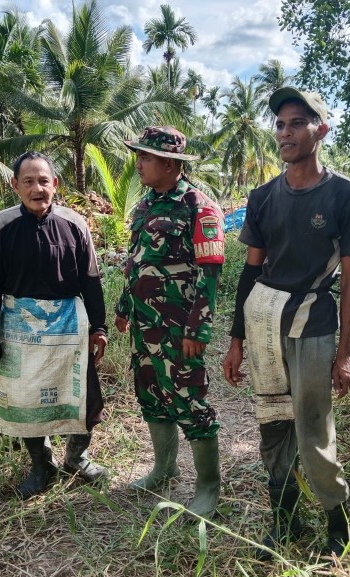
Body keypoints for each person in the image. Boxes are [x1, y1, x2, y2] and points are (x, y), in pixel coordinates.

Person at [222, 88, 350, 557]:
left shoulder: (346, 195)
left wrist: (346, 352)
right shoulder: (264, 196)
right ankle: (283, 520)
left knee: (313, 426)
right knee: (273, 423)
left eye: (296, 123)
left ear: (320, 130)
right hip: (264, 319)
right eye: (280, 125)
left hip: (312, 323)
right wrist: (236, 340)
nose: (285, 133)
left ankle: (336, 523)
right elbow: (251, 270)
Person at [0, 151, 109, 499]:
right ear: (15, 186)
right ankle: (41, 463)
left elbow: (91, 281)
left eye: (44, 180)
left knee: (84, 398)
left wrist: (99, 328)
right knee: (26, 400)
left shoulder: (75, 225)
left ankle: (76, 457)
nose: (38, 188)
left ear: (56, 184)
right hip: (20, 331)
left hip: (70, 328)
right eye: (29, 181)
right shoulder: (0, 228)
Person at [115, 126, 225, 518]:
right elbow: (135, 260)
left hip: (179, 327)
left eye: (145, 157)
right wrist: (124, 308)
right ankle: (163, 469)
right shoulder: (145, 205)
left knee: (189, 401)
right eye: (139, 156)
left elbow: (210, 272)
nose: (139, 164)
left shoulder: (199, 206)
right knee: (151, 396)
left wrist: (199, 329)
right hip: (146, 327)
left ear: (170, 163)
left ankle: (208, 487)